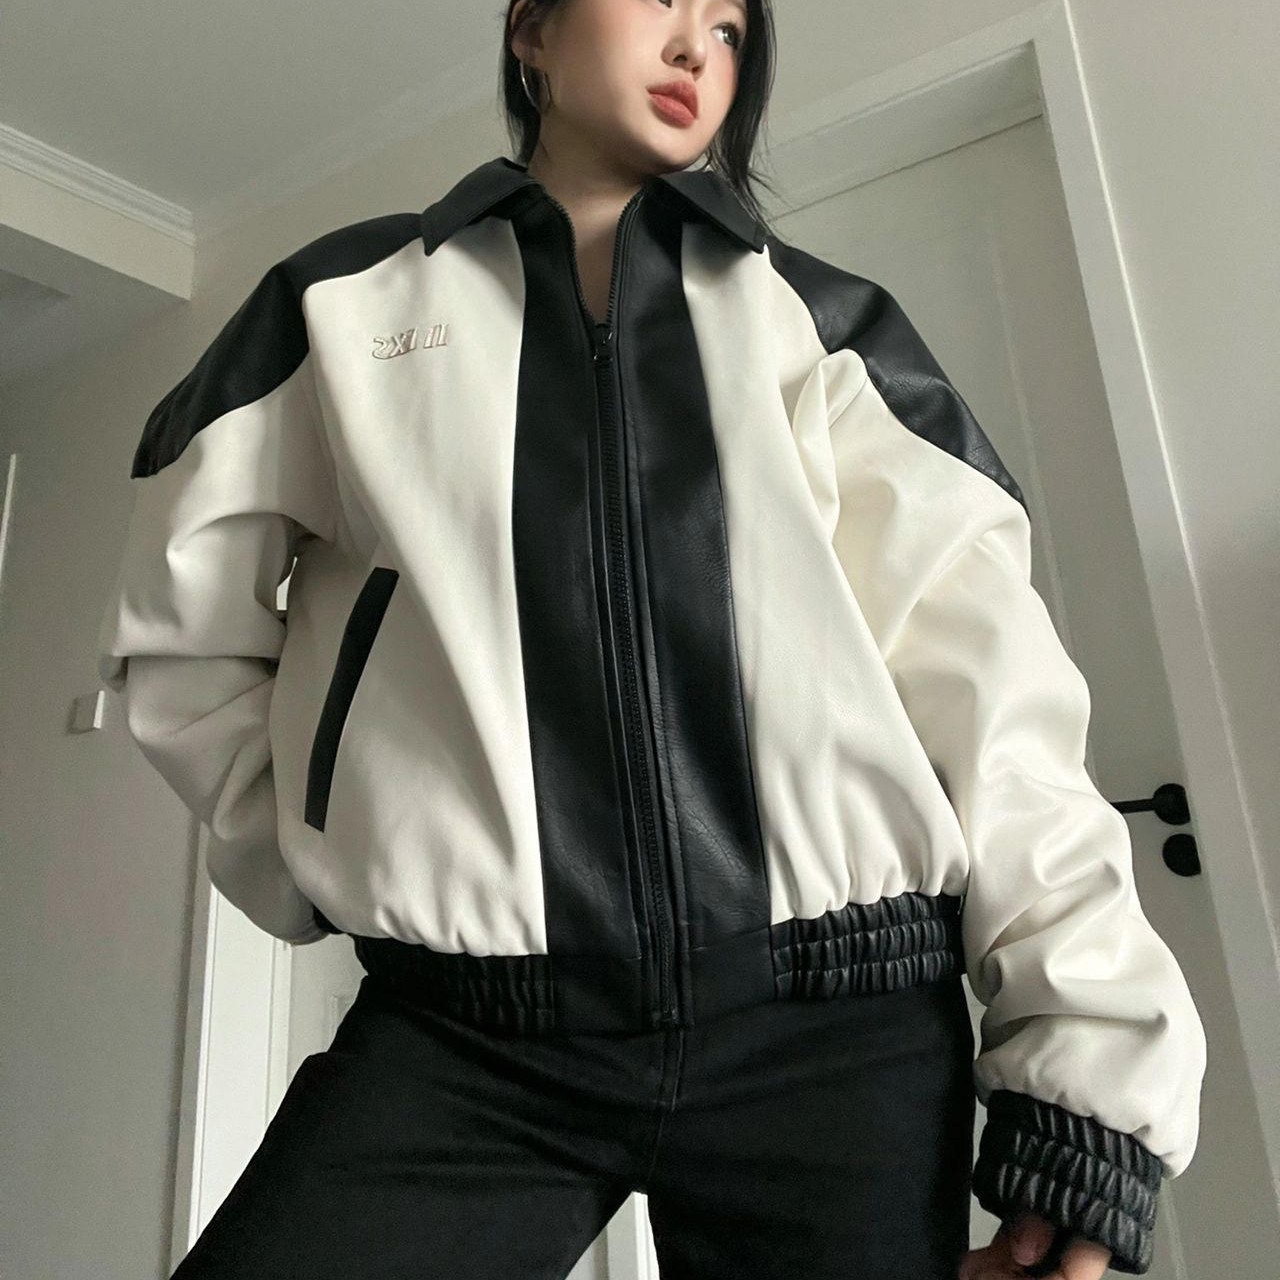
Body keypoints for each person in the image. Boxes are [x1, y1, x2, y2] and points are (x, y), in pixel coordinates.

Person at [96, 1, 1207, 1277]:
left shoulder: (825, 329)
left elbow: (996, 707)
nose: (695, 48)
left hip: (836, 1035)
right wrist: (309, 841)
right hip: (466, 1034)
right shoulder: (338, 311)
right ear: (530, 29)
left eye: (729, 29)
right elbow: (182, 629)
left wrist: (1090, 1076)